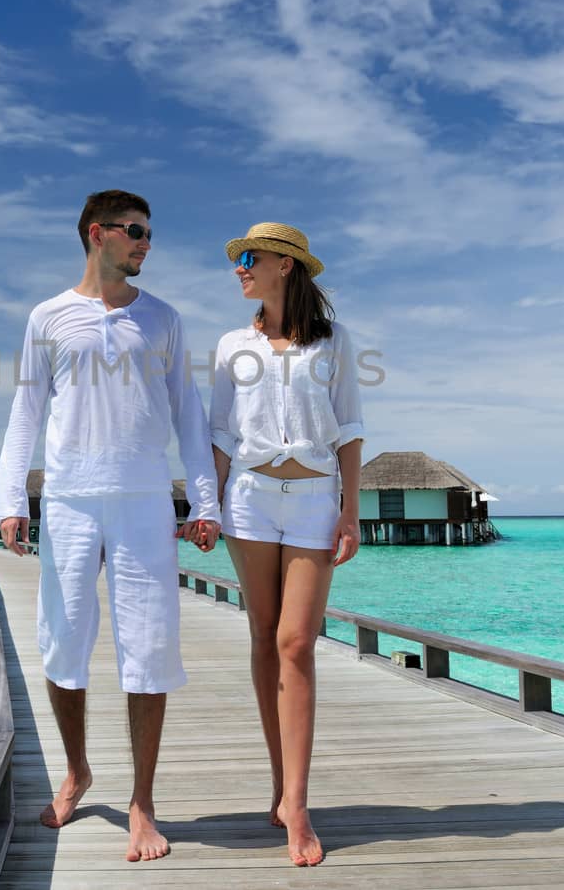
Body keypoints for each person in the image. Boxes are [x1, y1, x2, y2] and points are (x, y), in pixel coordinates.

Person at [0, 190, 221, 863]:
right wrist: (12, 498)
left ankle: (142, 801)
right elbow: (25, 412)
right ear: (99, 234)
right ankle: (77, 770)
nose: (147, 242)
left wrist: (204, 502)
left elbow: (190, 415)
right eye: (136, 231)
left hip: (146, 499)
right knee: (63, 643)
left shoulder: (165, 320)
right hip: (68, 500)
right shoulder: (48, 317)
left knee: (148, 649)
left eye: (151, 232)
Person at [209, 221, 364, 868]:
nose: (239, 267)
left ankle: (298, 804)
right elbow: (219, 432)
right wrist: (206, 508)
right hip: (247, 500)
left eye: (250, 258)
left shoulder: (333, 342)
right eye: (239, 257)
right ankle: (279, 785)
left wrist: (351, 511)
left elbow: (351, 427)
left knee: (296, 643)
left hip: (312, 500)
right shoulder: (229, 345)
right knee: (264, 636)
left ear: (286, 266)